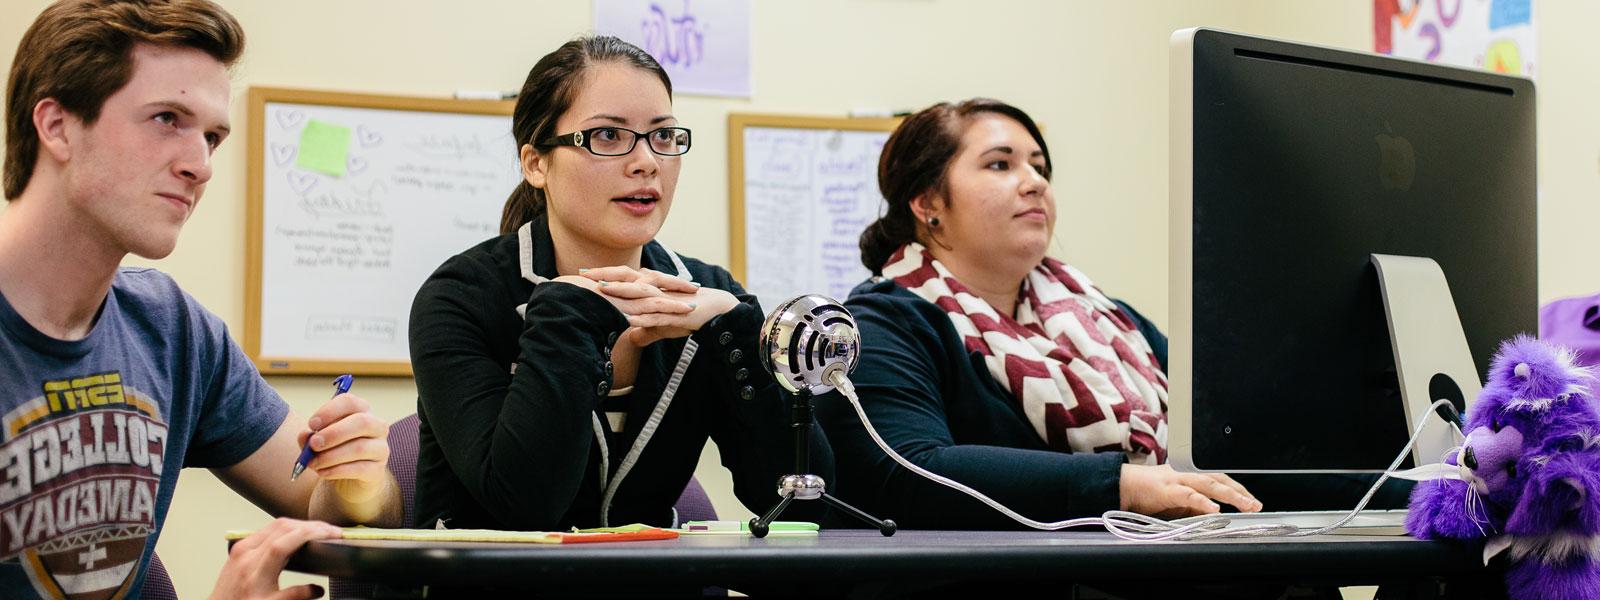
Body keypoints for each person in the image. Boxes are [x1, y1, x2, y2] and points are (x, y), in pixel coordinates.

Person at [0, 1, 402, 599]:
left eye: (212, 136)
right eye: (167, 118)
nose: (202, 165)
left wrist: (358, 474)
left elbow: (327, 506)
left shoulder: (172, 330)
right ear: (57, 125)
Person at [409, 35, 830, 532]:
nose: (647, 161)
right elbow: (523, 504)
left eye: (664, 136)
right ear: (536, 164)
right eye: (608, 136)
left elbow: (808, 507)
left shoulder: (709, 295)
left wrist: (736, 327)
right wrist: (568, 310)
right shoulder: (460, 297)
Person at [814, 99, 1264, 530]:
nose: (1035, 182)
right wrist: (1121, 486)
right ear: (928, 203)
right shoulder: (883, 323)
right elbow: (907, 469)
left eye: (1040, 167)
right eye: (1000, 164)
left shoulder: (1110, 319)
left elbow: (1226, 429)